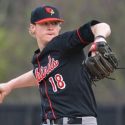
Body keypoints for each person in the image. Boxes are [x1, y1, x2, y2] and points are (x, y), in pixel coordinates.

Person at [0, 5, 111, 125]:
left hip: (77, 121)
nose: (50, 27)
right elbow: (38, 74)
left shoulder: (66, 42)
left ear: (59, 28)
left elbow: (101, 26)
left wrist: (99, 38)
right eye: (45, 23)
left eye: (54, 23)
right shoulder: (39, 59)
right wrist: (10, 85)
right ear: (32, 28)